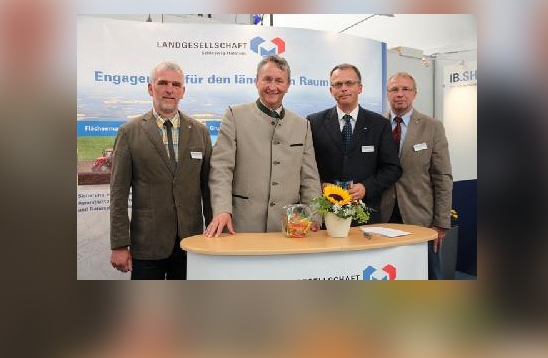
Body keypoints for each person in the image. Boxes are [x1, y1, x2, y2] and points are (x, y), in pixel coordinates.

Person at [109, 61, 213, 279]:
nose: (169, 89)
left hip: (191, 244)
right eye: (162, 83)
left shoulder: (200, 133)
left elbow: (208, 188)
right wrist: (119, 244)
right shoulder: (129, 132)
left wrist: (215, 235)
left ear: (183, 92)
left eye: (176, 85)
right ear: (150, 88)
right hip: (147, 246)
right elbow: (118, 194)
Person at [204, 55, 321, 236]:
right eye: (267, 79)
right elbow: (221, 168)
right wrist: (222, 210)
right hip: (241, 225)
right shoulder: (235, 115)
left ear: (288, 85)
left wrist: (314, 215)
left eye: (279, 81)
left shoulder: (302, 125)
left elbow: (309, 178)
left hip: (289, 229)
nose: (272, 87)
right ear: (256, 81)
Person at [307, 63, 401, 223]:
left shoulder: (379, 124)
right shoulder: (313, 122)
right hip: (325, 214)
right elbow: (306, 166)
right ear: (331, 90)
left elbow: (392, 168)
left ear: (360, 88)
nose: (344, 88)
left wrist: (366, 188)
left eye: (349, 83)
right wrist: (320, 185)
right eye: (338, 84)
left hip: (365, 214)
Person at [380, 72, 452, 280]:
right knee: (386, 274)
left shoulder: (432, 127)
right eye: (394, 89)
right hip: (383, 216)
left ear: (415, 94)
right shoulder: (377, 125)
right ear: (387, 94)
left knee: (426, 275)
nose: (400, 94)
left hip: (420, 217)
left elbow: (442, 176)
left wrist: (441, 223)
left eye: (405, 89)